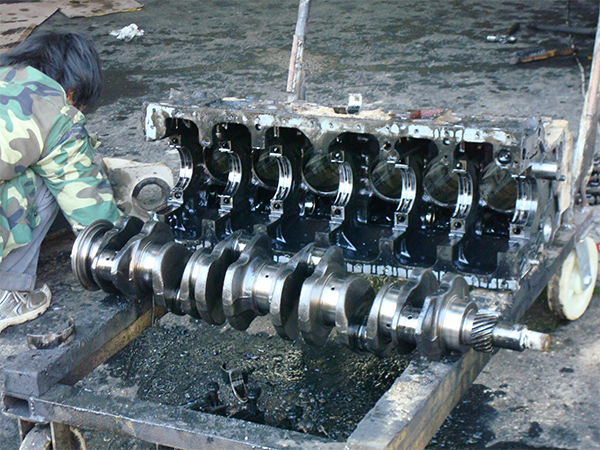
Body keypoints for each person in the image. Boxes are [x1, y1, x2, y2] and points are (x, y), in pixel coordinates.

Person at [0, 31, 122, 333]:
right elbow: (89, 208)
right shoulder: (53, 108)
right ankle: (7, 295)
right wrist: (125, 247)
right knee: (45, 175)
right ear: (72, 90)